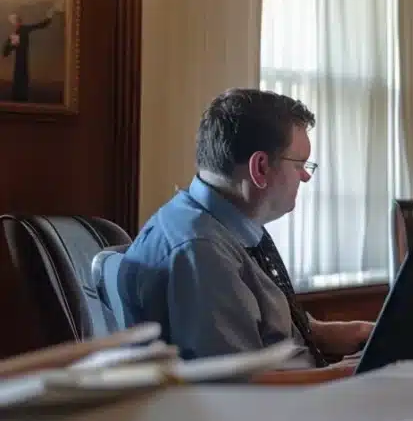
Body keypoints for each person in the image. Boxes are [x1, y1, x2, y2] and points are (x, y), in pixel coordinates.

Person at [119, 88, 372, 384]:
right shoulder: (202, 251)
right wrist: (350, 374)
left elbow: (263, 325)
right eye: (301, 164)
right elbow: (236, 390)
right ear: (260, 167)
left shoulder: (223, 222)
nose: (305, 176)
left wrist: (352, 333)